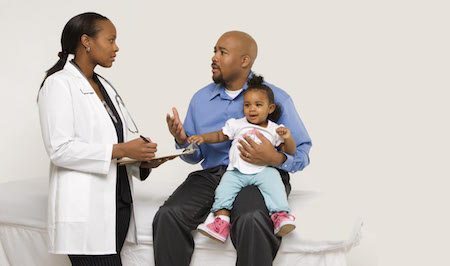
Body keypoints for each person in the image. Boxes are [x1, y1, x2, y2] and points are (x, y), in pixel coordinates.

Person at [153, 31, 312, 266]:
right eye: (214, 51)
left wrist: (275, 157)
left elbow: (301, 151)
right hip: (214, 175)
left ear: (244, 61)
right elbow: (194, 156)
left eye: (222, 52)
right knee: (168, 215)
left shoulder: (274, 98)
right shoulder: (201, 99)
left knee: (252, 219)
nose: (214, 58)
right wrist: (182, 139)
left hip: (261, 174)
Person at [38, 12, 170, 265]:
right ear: (86, 41)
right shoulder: (59, 84)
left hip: (117, 204)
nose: (116, 47)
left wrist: (140, 159)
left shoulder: (104, 86)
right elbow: (60, 150)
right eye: (110, 40)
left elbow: (116, 141)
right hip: (86, 211)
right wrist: (122, 148)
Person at [189, 75, 297, 242]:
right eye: (247, 105)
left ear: (270, 108)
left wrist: (288, 137)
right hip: (236, 172)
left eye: (258, 105)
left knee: (275, 185)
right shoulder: (237, 124)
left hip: (263, 171)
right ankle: (221, 222)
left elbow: (289, 151)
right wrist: (203, 138)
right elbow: (220, 135)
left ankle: (280, 216)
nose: (252, 109)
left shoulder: (275, 129)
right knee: (223, 191)